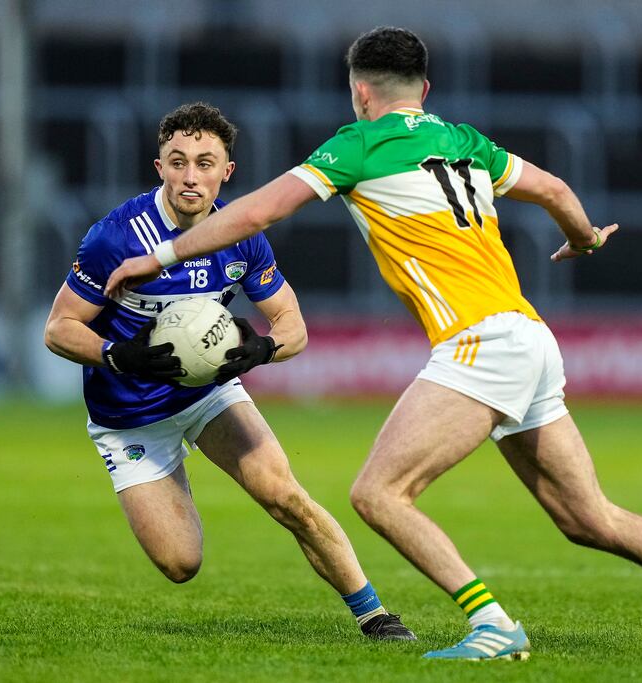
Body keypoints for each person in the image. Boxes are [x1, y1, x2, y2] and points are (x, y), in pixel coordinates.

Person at [103, 29, 642, 661]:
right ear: (425, 90)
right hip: (530, 336)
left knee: (379, 494)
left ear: (360, 91)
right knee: (590, 518)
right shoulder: (465, 141)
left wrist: (157, 255)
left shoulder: (358, 143)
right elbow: (554, 187)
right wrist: (583, 237)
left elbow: (256, 211)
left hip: (479, 341)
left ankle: (493, 624)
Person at [44, 102, 415, 642]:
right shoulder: (116, 238)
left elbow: (293, 324)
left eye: (204, 162)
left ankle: (375, 615)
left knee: (284, 494)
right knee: (179, 564)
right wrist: (117, 355)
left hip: (208, 397)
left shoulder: (240, 235)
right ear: (160, 167)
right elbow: (58, 328)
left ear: (227, 171)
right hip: (129, 419)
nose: (190, 176)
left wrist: (263, 351)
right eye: (177, 162)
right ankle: (168, 477)